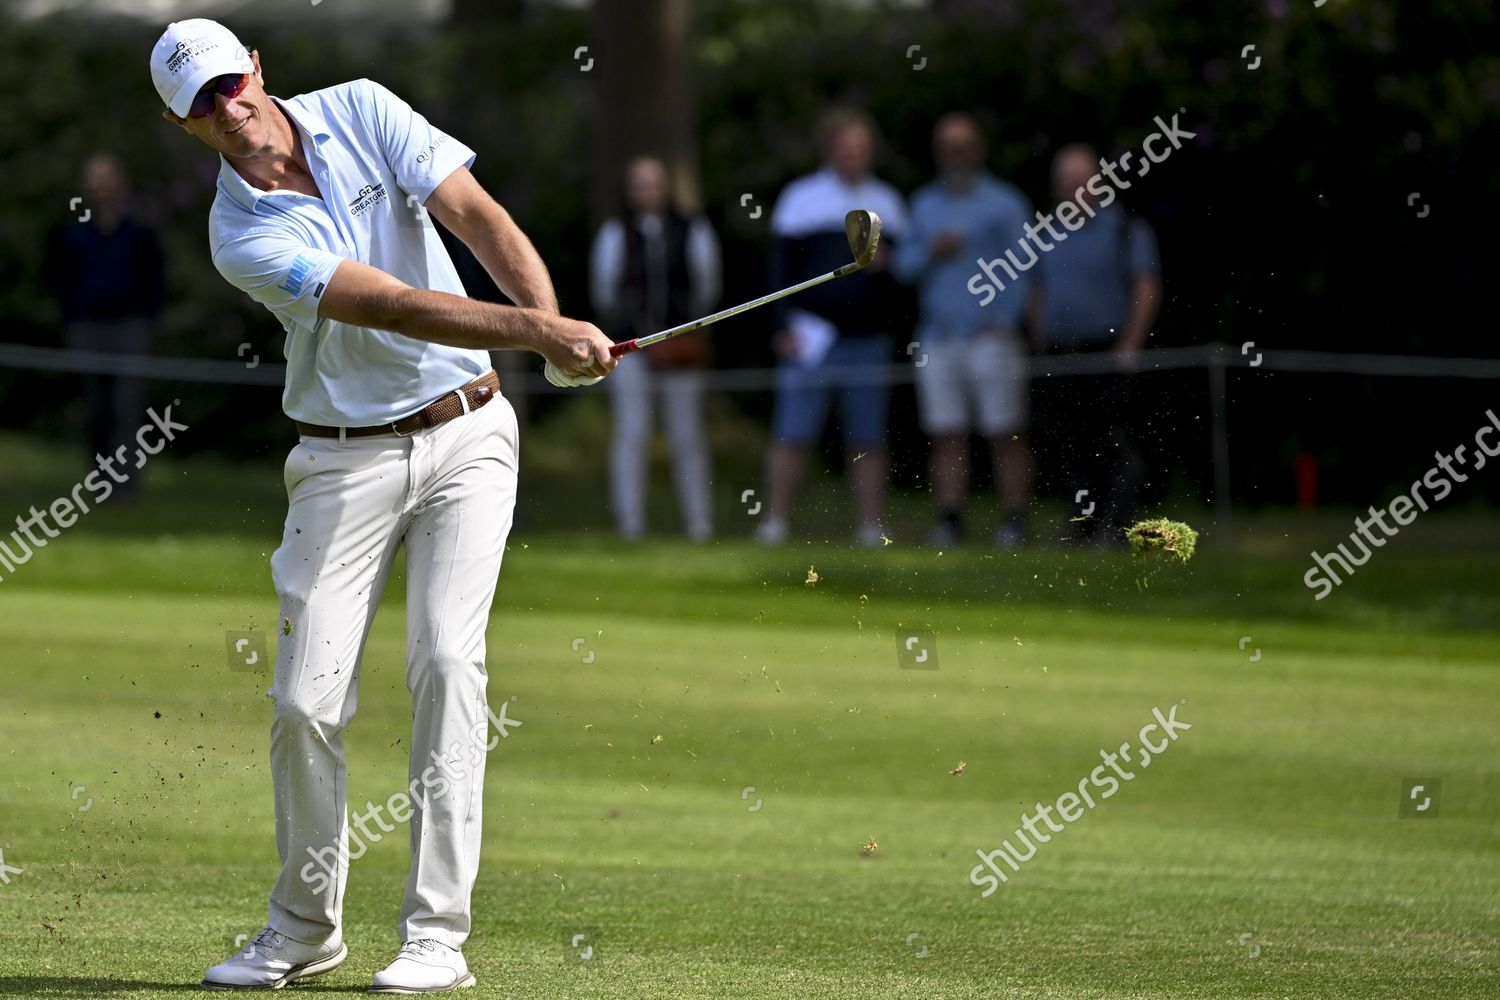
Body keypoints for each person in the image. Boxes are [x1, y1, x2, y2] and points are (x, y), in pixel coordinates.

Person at [151, 18, 614, 993]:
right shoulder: (242, 234)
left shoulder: (362, 107)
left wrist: (555, 333)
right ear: (182, 122)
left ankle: (436, 937)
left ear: (257, 70)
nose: (228, 109)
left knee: (448, 659)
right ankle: (303, 928)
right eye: (201, 104)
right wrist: (543, 332)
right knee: (303, 703)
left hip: (469, 434)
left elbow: (477, 216)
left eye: (231, 83)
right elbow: (395, 303)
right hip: (341, 460)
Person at [757, 109, 907, 547]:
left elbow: (903, 280)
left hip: (868, 340)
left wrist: (889, 264)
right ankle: (774, 522)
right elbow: (779, 270)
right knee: (792, 433)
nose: (851, 156)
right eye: (844, 149)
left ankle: (870, 526)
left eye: (859, 150)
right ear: (830, 150)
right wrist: (780, 326)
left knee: (867, 436)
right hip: (810, 337)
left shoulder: (888, 202)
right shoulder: (801, 197)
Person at [892, 113, 1034, 549]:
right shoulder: (923, 204)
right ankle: (950, 520)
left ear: (978, 148)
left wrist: (1005, 320)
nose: (954, 151)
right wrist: (931, 251)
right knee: (946, 433)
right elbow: (902, 267)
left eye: (962, 143)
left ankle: (1015, 521)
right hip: (938, 336)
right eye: (946, 144)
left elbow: (1028, 265)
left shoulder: (1005, 203)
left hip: (991, 335)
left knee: (1005, 431)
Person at [1031, 143, 1162, 542]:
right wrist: (1039, 339)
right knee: (1073, 446)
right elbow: (1035, 290)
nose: (1073, 186)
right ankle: (1083, 525)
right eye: (1065, 179)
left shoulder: (1125, 228)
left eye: (1080, 177)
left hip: (1107, 355)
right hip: (1061, 355)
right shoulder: (1044, 232)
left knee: (1114, 443)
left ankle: (1119, 524)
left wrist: (1131, 343)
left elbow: (1146, 286)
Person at [589, 156, 721, 541]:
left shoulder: (693, 229)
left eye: (655, 183)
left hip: (681, 347)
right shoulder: (617, 232)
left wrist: (685, 323)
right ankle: (631, 524)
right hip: (630, 347)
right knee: (632, 433)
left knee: (688, 434)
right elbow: (604, 289)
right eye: (640, 184)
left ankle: (699, 523)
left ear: (667, 188)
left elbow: (707, 284)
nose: (648, 192)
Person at [44, 152, 165, 501]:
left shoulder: (139, 233)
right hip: (86, 327)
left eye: (107, 178)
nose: (101, 187)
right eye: (95, 179)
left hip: (130, 327)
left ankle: (125, 487)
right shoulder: (72, 232)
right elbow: (56, 278)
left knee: (127, 407)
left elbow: (154, 280)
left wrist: (147, 319)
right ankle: (98, 482)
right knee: (96, 408)